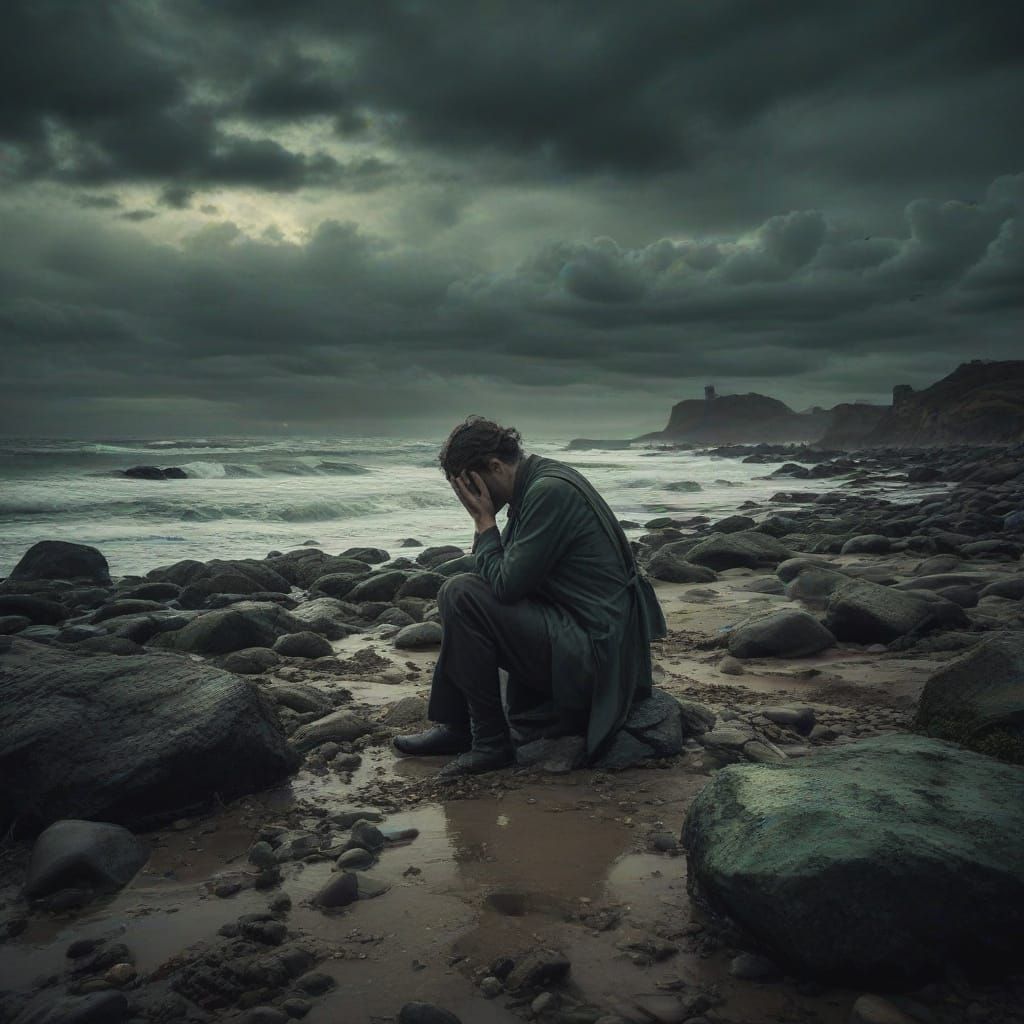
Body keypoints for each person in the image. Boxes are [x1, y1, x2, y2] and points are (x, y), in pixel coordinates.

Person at [393, 416, 667, 777]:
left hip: (598, 657)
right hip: (590, 638)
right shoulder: (535, 485)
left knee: (460, 593)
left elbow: (505, 584)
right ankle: (459, 728)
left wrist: (484, 525)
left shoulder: (548, 492)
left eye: (471, 487)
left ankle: (490, 744)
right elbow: (503, 576)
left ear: (494, 467)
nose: (470, 499)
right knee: (464, 595)